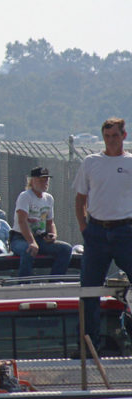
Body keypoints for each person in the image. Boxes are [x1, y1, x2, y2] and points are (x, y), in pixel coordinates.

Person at [74, 117, 132, 350]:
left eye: (115, 136)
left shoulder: (130, 163)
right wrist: (84, 227)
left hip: (125, 231)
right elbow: (80, 198)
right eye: (107, 136)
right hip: (97, 231)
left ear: (124, 136)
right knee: (89, 288)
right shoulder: (91, 162)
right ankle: (89, 344)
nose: (111, 141)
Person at [10, 167, 72, 278]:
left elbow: (50, 222)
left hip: (40, 238)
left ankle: (55, 282)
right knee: (29, 250)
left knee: (66, 249)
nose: (45, 183)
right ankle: (24, 286)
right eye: (41, 180)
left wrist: (53, 235)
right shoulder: (25, 196)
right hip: (20, 238)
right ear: (32, 180)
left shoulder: (49, 199)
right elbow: (22, 221)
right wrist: (31, 242)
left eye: (46, 180)